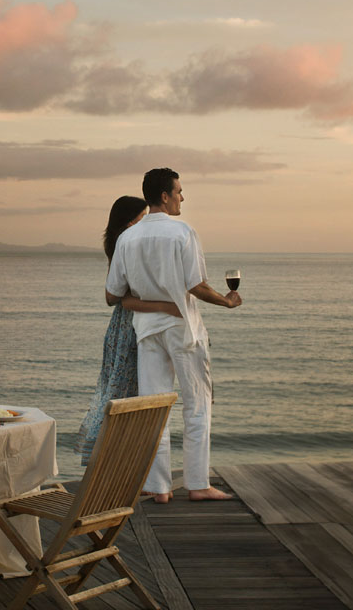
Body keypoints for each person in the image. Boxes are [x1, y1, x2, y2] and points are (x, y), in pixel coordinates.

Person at [105, 168, 242, 503]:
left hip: (147, 331)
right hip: (183, 330)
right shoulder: (182, 232)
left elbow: (114, 292)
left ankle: (159, 487)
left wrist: (153, 301)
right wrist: (226, 301)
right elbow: (196, 285)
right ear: (165, 196)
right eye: (179, 191)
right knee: (196, 406)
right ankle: (198, 484)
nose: (182, 197)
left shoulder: (127, 238)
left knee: (155, 408)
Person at [74, 195, 182, 466]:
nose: (146, 222)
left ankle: (126, 466)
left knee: (131, 396)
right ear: (129, 222)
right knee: (122, 396)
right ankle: (110, 463)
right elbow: (112, 297)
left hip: (133, 326)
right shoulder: (124, 246)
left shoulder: (131, 245)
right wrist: (164, 305)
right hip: (127, 329)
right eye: (141, 217)